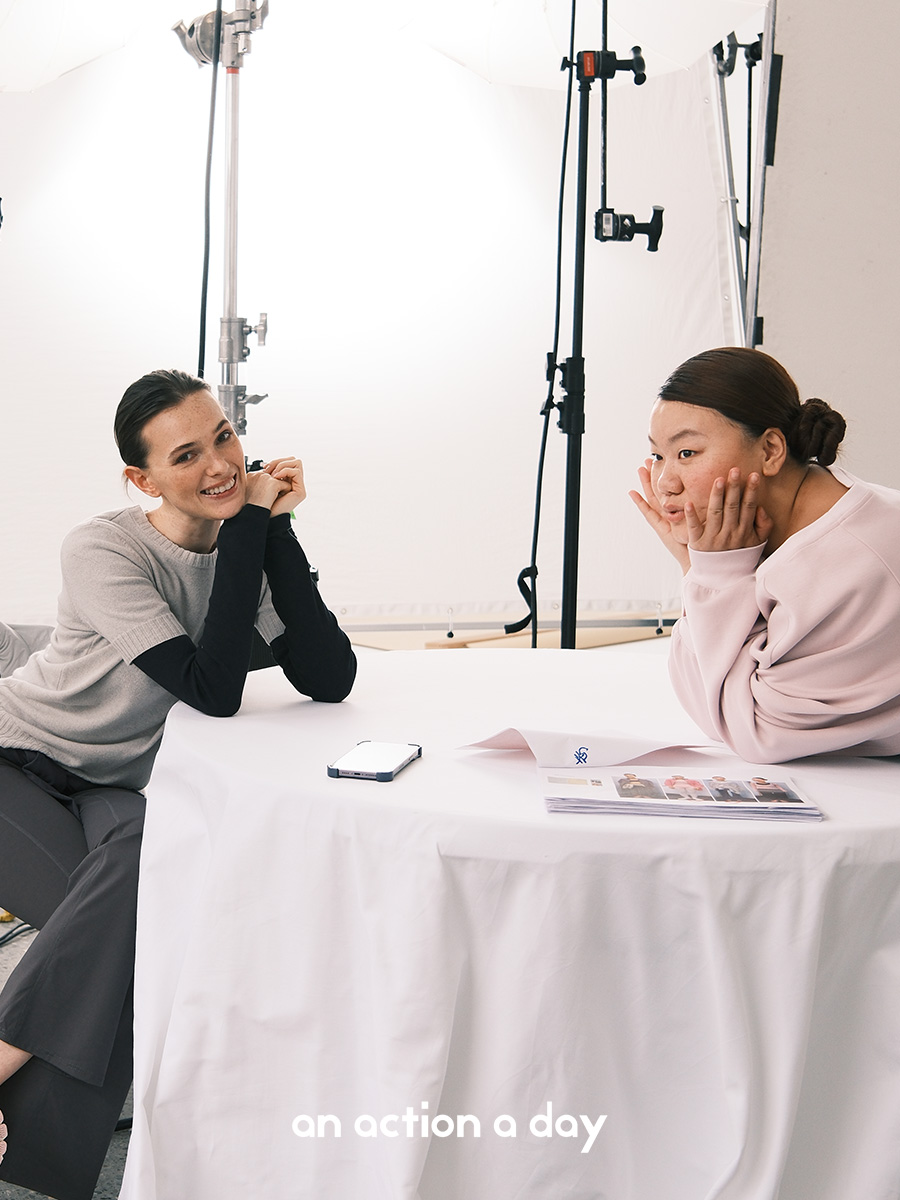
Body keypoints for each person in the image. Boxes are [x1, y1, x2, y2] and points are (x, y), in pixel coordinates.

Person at [0, 369, 357, 1200]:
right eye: (186, 455)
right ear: (143, 479)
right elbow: (210, 688)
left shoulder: (245, 549)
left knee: (152, 884)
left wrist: (277, 531)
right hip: (16, 757)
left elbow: (328, 675)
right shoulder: (103, 549)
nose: (221, 465)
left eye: (224, 437)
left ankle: (32, 1165)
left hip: (109, 786)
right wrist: (250, 526)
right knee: (141, 923)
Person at [630, 346, 900, 763]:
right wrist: (694, 565)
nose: (665, 482)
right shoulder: (777, 534)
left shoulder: (855, 561)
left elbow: (754, 734)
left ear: (771, 450)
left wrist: (713, 576)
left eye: (687, 453)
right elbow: (714, 708)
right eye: (657, 456)